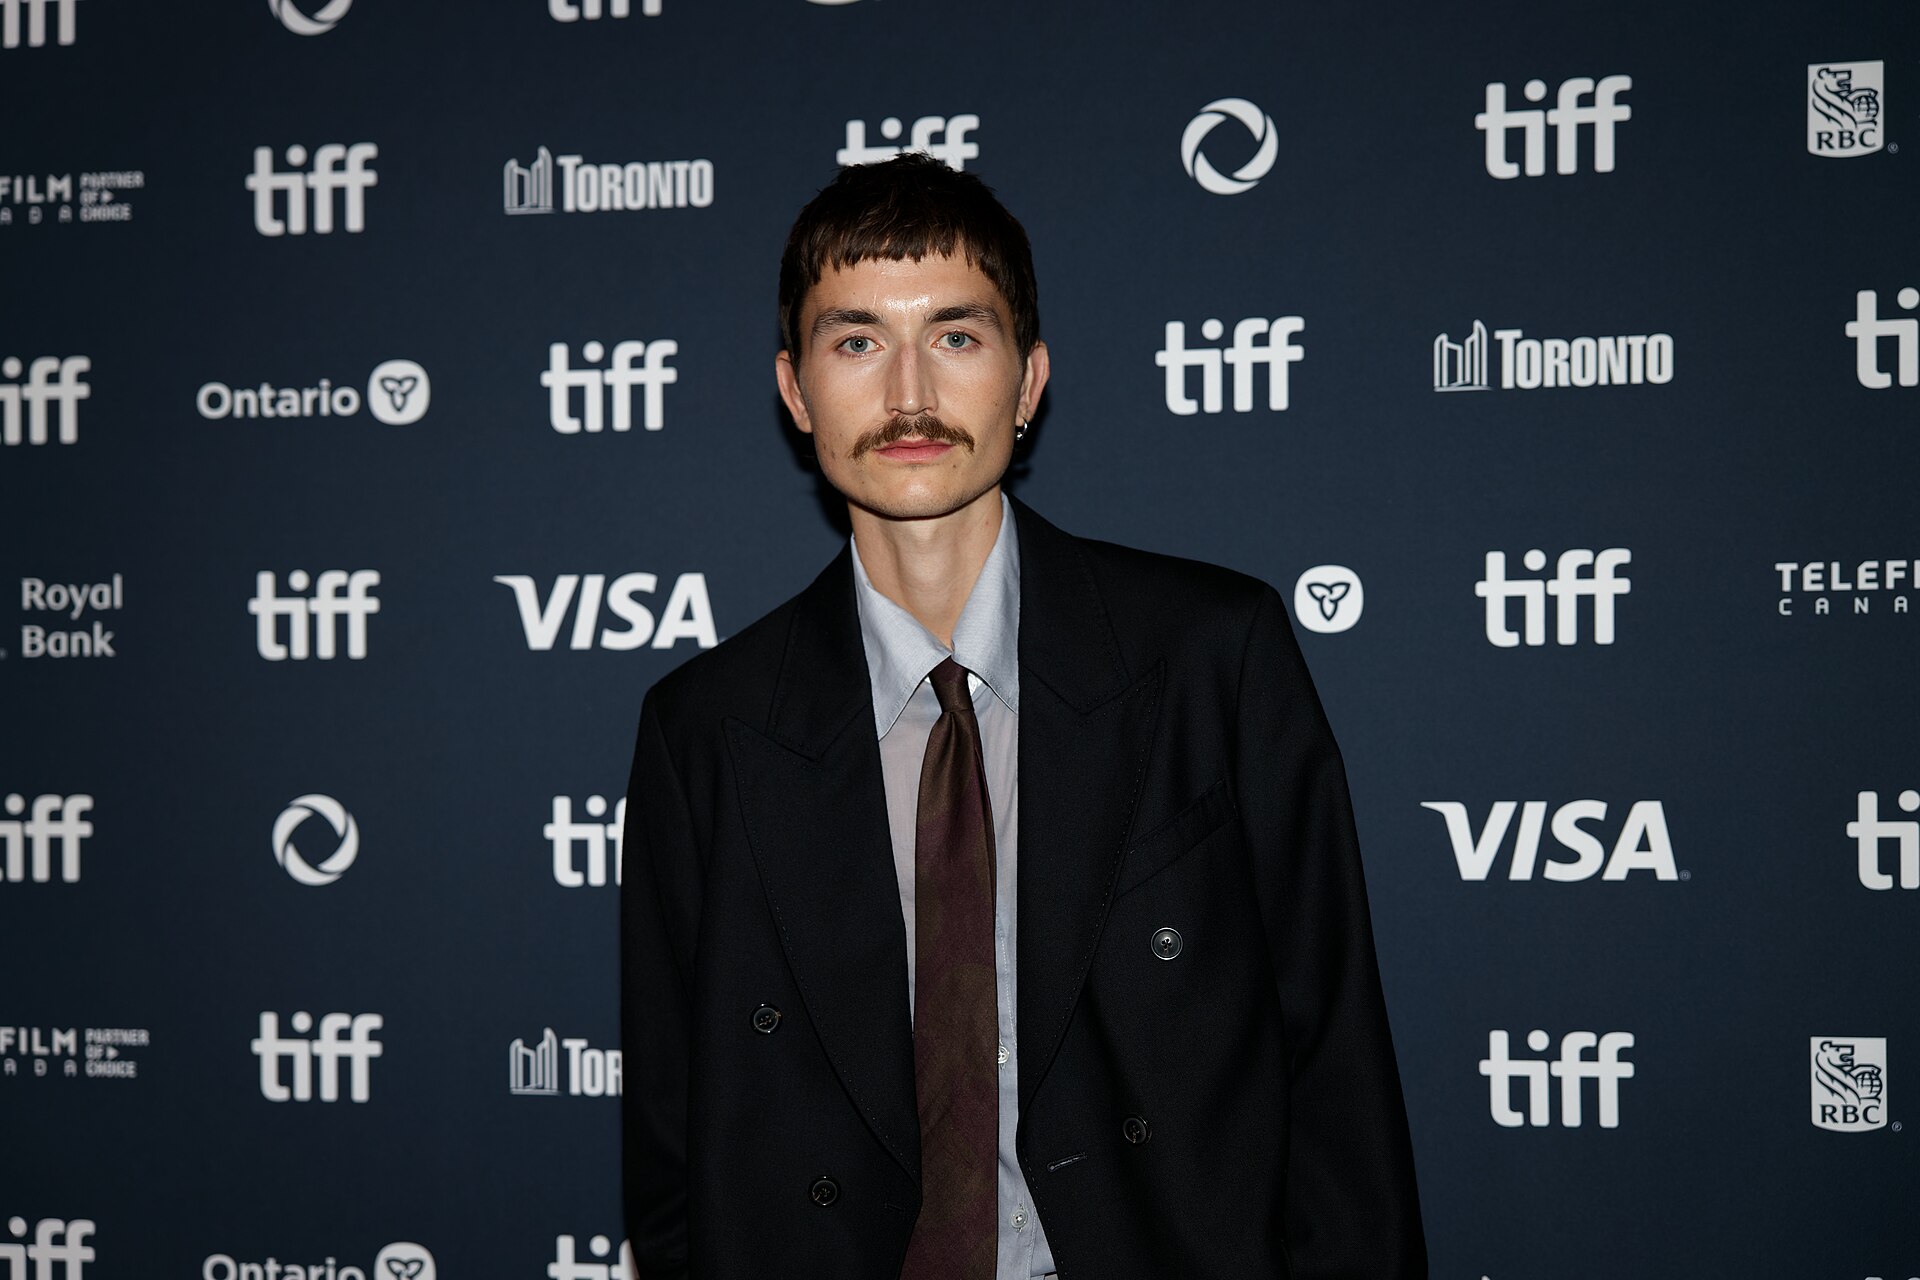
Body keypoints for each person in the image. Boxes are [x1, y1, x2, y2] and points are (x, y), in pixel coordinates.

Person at [620, 153, 1425, 1280]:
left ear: (1029, 378)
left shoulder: (1209, 654)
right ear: (796, 391)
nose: (909, 394)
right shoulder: (705, 729)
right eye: (857, 341)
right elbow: (673, 1142)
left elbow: (1336, 1072)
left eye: (956, 335)